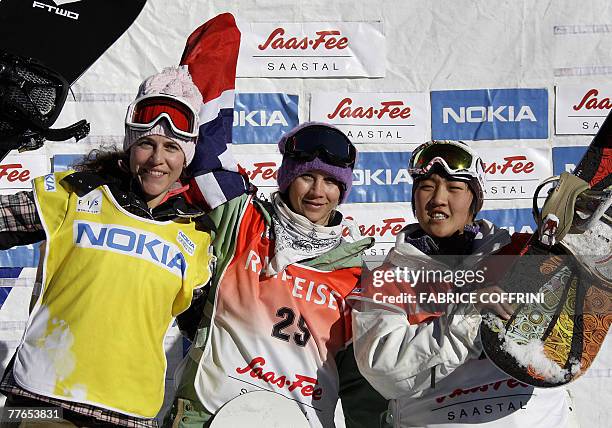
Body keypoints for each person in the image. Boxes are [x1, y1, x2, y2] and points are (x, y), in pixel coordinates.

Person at [0, 66, 216, 427]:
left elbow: (207, 333)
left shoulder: (194, 234)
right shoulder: (76, 191)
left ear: (186, 157)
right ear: (131, 146)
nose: (157, 159)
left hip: (129, 414)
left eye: (172, 147)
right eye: (146, 143)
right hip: (40, 399)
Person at [166, 122, 388, 428]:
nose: (317, 191)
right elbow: (201, 155)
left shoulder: (353, 276)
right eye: (306, 177)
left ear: (343, 190)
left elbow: (360, 386)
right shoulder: (243, 221)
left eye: (330, 181)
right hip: (207, 416)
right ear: (286, 178)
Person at [349, 140, 575, 427]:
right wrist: (468, 316)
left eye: (454, 188)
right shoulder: (388, 279)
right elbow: (386, 372)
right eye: (426, 186)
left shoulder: (519, 253)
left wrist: (578, 233)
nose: (438, 199)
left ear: (474, 200)